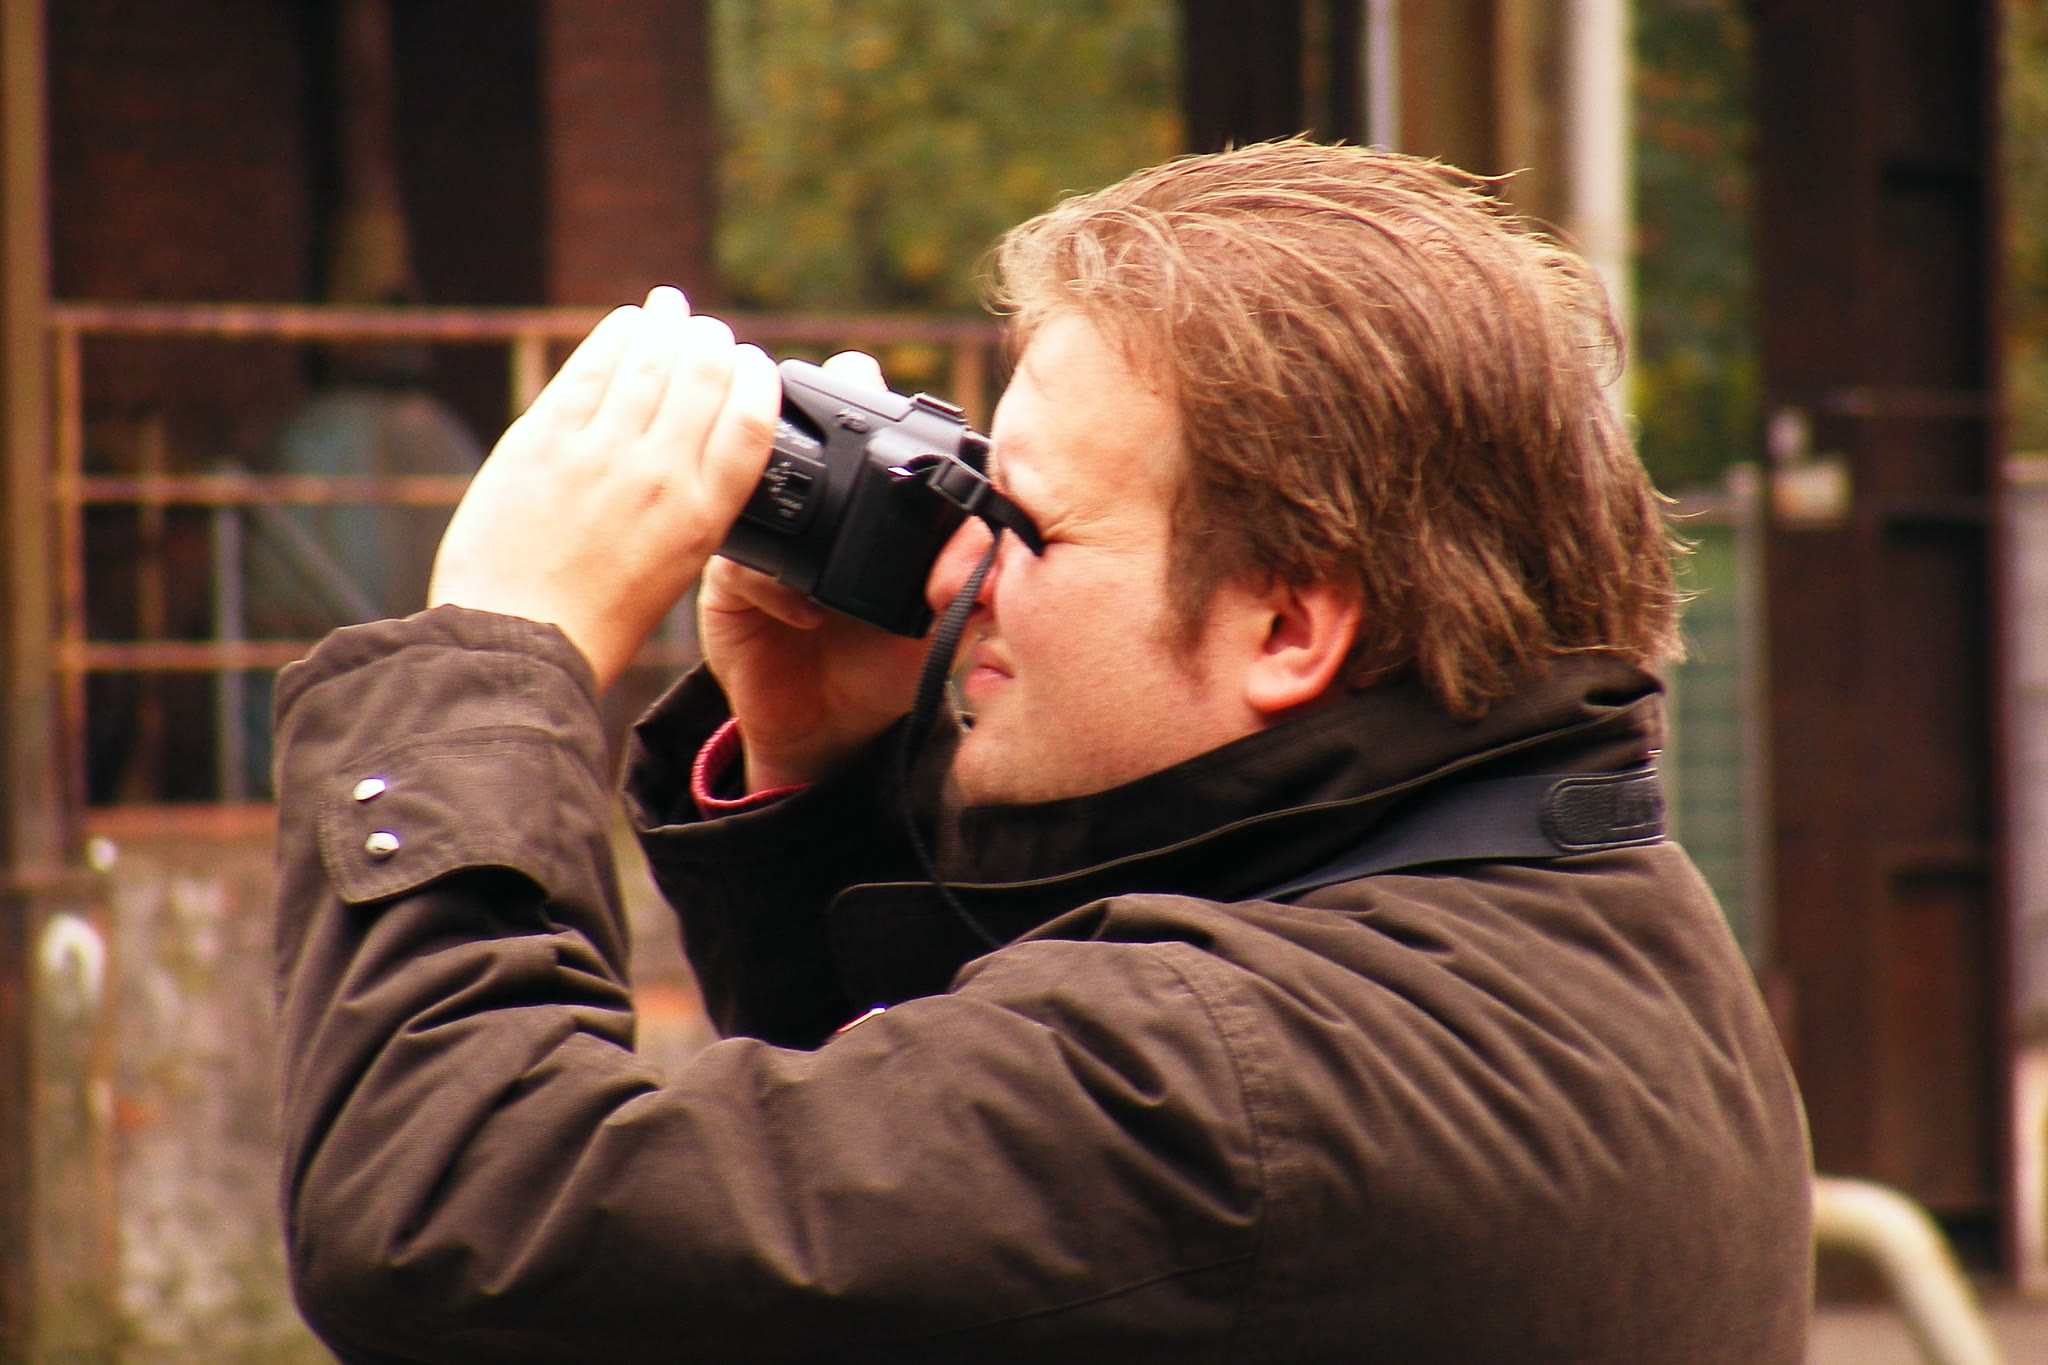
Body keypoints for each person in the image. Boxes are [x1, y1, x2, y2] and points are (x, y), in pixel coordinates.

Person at [272, 140, 1812, 1363]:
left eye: (1025, 522)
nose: (958, 572)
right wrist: (828, 781)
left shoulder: (1223, 1086)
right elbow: (930, 1258)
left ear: (1288, 627)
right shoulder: (1589, 917)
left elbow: (455, 1215)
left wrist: (495, 649)